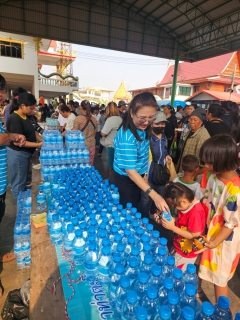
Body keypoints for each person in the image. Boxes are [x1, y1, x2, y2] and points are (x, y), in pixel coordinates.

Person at [197, 134, 240, 301]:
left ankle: (221, 312)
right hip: (208, 230)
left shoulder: (235, 191)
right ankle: (197, 290)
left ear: (224, 160)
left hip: (223, 240)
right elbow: (206, 199)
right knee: (201, 263)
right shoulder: (212, 176)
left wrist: (214, 242)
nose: (206, 165)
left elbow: (230, 224)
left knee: (219, 277)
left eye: (210, 162)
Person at [112, 92, 169, 211]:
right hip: (126, 182)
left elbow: (142, 156)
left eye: (151, 117)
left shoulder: (142, 129)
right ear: (132, 113)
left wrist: (144, 175)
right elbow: (131, 172)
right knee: (127, 212)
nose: (147, 122)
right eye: (142, 118)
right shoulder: (127, 138)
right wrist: (156, 196)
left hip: (138, 177)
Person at [154, 182, 206, 271]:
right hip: (178, 245)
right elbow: (184, 219)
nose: (175, 208)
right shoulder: (187, 205)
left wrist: (173, 228)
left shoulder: (195, 213)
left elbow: (194, 234)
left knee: (175, 272)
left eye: (174, 206)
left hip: (186, 252)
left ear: (183, 201)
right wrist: (174, 220)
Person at [7, 92, 43, 201]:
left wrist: (45, 140)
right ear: (22, 106)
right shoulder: (15, 118)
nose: (33, 111)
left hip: (25, 154)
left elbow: (33, 133)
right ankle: (20, 208)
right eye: (31, 108)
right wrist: (39, 144)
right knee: (19, 183)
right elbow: (18, 143)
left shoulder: (25, 116)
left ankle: (22, 203)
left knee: (22, 181)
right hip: (18, 154)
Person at [140, 111, 172, 218]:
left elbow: (164, 151)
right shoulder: (146, 139)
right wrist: (143, 174)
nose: (160, 126)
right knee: (146, 199)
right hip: (148, 175)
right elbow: (141, 158)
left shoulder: (164, 138)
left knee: (159, 196)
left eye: (163, 123)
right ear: (151, 124)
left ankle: (154, 214)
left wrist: (166, 155)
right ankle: (144, 217)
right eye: (157, 123)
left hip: (160, 174)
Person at [177, 108, 210, 173]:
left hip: (192, 172)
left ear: (201, 121)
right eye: (191, 119)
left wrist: (196, 173)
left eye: (195, 120)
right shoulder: (189, 131)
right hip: (185, 168)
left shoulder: (203, 135)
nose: (192, 122)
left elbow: (202, 159)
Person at [100, 102, 122, 174]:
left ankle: (111, 183)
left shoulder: (110, 119)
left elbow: (103, 134)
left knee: (111, 166)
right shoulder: (120, 119)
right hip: (119, 145)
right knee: (117, 165)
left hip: (111, 145)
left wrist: (101, 131)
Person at [73, 100, 97, 165]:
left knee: (80, 167)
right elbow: (95, 133)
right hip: (91, 145)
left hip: (81, 147)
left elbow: (74, 134)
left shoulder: (78, 119)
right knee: (89, 166)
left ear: (81, 107)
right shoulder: (94, 119)